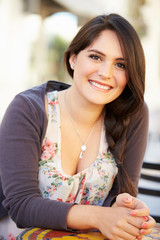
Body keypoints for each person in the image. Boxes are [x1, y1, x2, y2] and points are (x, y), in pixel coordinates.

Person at [0, 13, 156, 240]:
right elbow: (22, 205)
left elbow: (119, 196)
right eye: (95, 57)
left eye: (120, 64)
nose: (106, 73)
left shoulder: (133, 114)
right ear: (73, 58)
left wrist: (125, 208)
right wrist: (99, 216)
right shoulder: (28, 109)